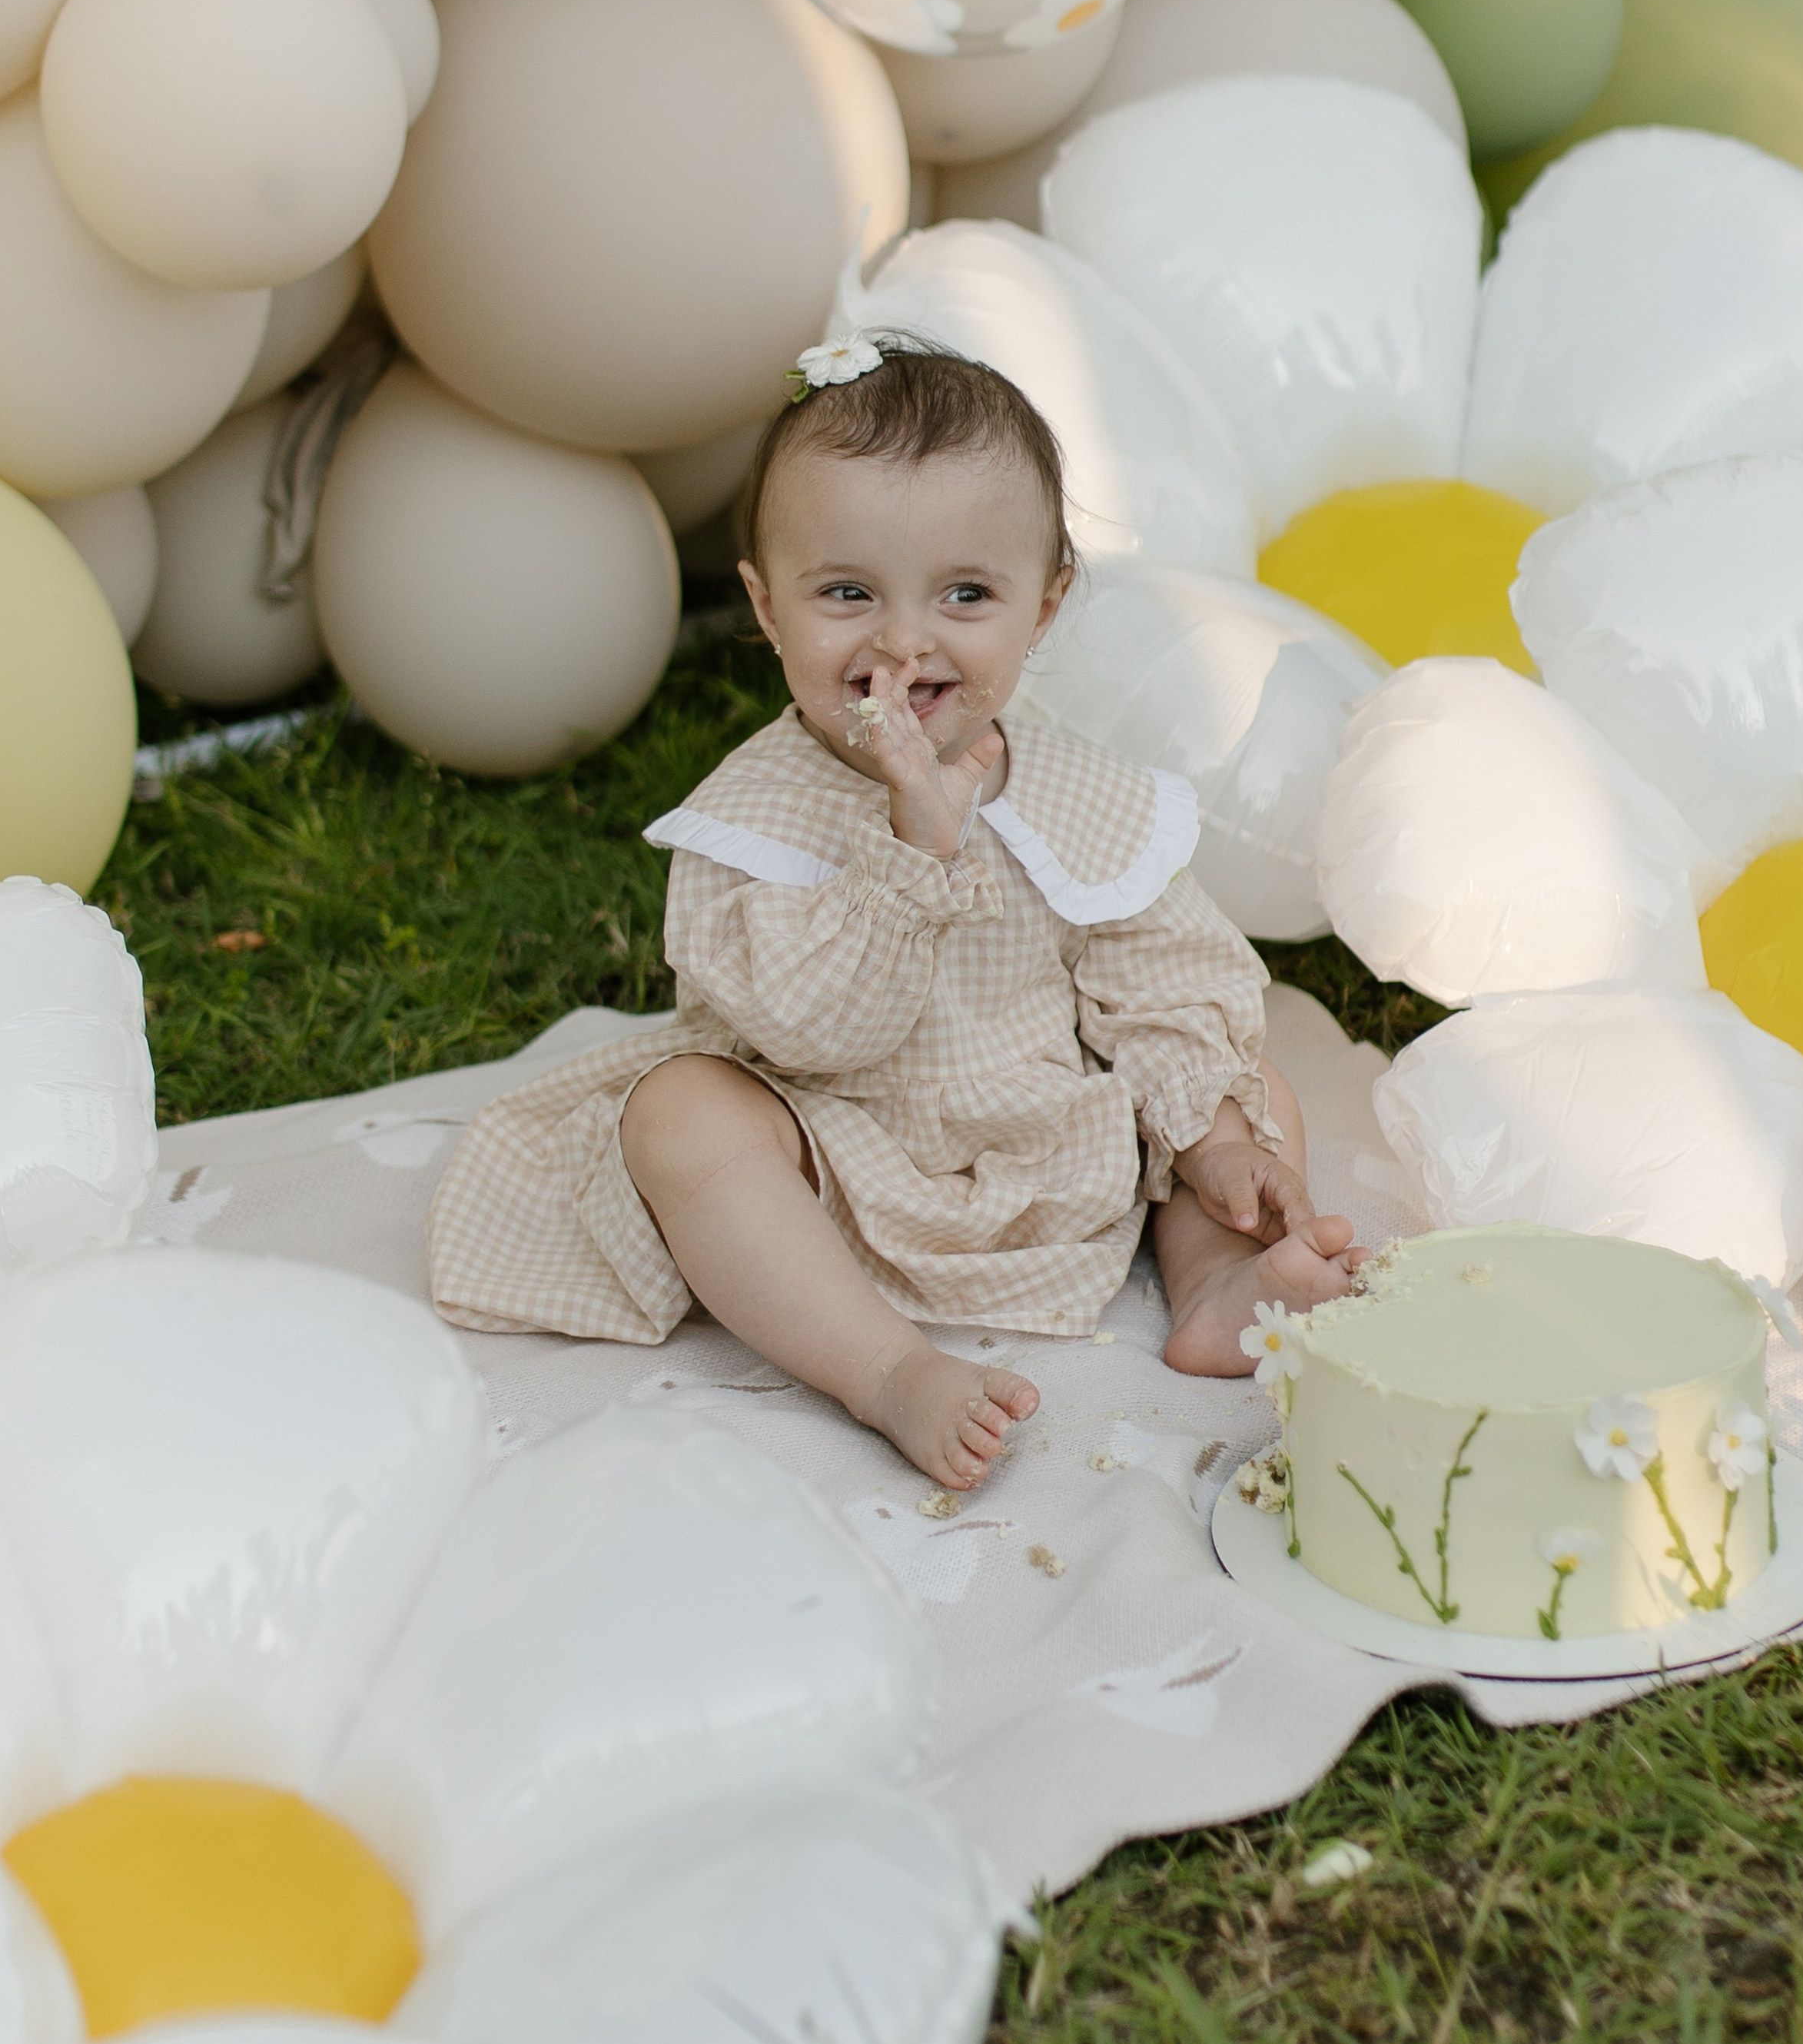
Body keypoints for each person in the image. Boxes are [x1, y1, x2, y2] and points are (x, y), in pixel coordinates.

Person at [429, 334, 1358, 1490]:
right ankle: (882, 1369)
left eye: (966, 593)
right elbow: (817, 1035)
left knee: (1240, 1070)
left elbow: (1161, 975)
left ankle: (1216, 1277)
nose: (904, 640)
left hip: (1046, 1144)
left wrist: (1215, 1142)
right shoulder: (753, 818)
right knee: (678, 1118)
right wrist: (914, 847)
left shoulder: (1074, 788)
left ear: (1046, 605)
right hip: (838, 1165)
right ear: (768, 610)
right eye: (849, 593)